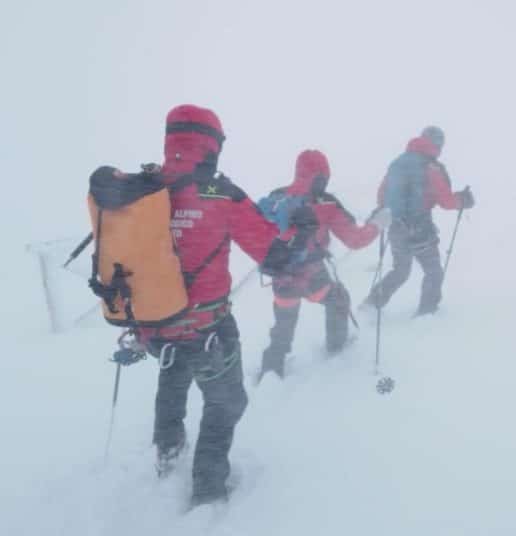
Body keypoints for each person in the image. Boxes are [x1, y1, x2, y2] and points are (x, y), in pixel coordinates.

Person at [137, 104, 280, 508]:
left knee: (173, 379)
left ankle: (167, 453)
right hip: (207, 329)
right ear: (212, 145)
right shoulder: (220, 193)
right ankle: (208, 488)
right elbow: (270, 250)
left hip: (156, 326)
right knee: (226, 402)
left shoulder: (145, 188)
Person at [258, 149, 390, 380]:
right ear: (322, 176)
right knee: (338, 298)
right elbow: (355, 239)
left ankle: (271, 369)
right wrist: (377, 225)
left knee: (284, 323)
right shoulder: (327, 203)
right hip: (312, 275)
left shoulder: (277, 197)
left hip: (281, 277)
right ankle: (337, 350)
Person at [364, 126, 474, 316]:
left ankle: (371, 304)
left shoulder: (398, 162)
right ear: (438, 144)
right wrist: (463, 200)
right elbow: (446, 201)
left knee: (401, 270)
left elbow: (382, 195)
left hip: (395, 225)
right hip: (420, 227)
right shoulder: (430, 167)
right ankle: (427, 313)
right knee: (433, 271)